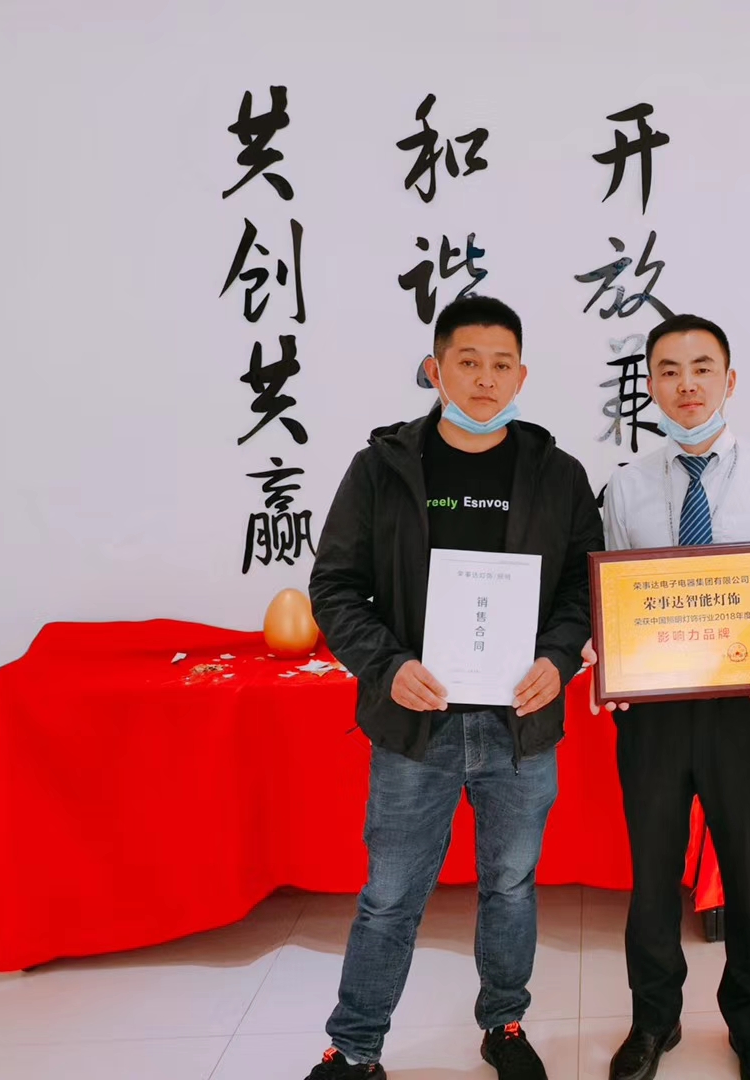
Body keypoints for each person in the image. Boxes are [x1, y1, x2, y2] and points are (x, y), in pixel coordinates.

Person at [303, 296, 604, 1080]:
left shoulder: (558, 474)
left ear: (522, 377)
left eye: (502, 364)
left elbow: (583, 587)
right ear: (436, 369)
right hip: (416, 724)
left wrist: (559, 657)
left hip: (519, 726)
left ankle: (504, 1024)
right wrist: (386, 666)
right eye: (468, 362)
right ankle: (354, 1048)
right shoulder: (382, 468)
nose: (485, 379)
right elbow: (335, 586)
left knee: (511, 886)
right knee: (390, 893)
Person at [586, 314, 750, 1080]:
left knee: (749, 874)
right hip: (654, 714)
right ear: (650, 385)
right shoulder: (627, 485)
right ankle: (653, 1021)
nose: (686, 384)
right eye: (669, 370)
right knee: (652, 876)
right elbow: (613, 591)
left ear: (729, 380)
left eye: (701, 368)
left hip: (746, 708)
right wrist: (604, 646)